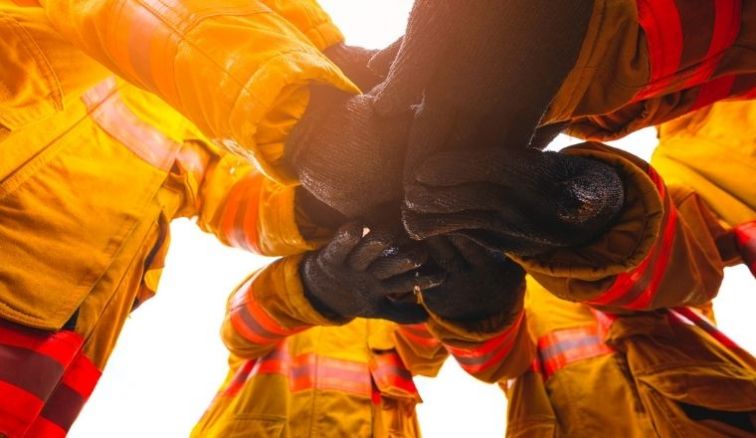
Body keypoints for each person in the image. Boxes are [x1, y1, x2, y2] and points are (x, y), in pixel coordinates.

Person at [0, 1, 402, 435]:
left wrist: (320, 207)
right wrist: (314, 111)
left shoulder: (197, 124)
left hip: (65, 329)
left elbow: (231, 198)